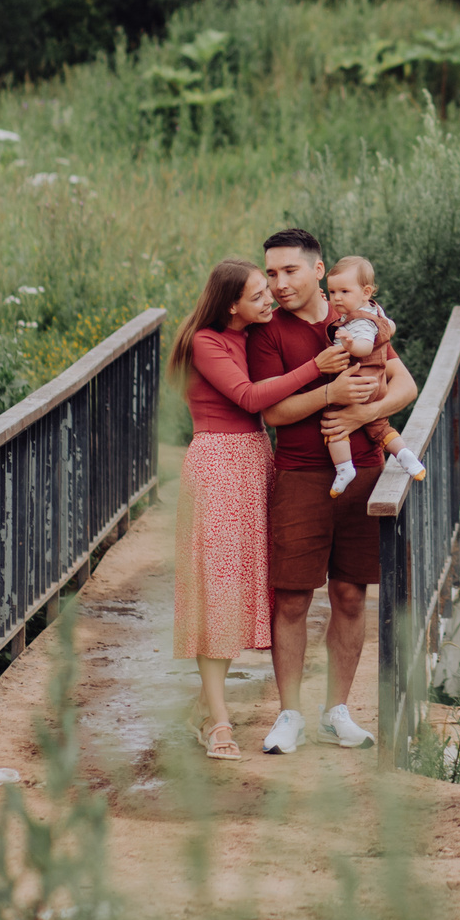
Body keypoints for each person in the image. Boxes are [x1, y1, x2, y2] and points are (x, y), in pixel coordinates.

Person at [248, 226, 421, 754]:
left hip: (365, 471)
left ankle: (337, 711)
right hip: (299, 474)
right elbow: (272, 412)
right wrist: (330, 390)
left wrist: (365, 410)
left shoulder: (352, 316)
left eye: (290, 271)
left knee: (350, 595)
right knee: (294, 597)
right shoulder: (268, 333)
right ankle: (290, 714)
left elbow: (406, 386)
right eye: (272, 273)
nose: (279, 284)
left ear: (318, 271)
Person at [167, 258, 348, 761]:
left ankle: (206, 706)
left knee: (248, 587)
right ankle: (218, 722)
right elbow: (248, 398)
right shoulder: (205, 341)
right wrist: (319, 373)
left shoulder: (254, 336)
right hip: (219, 466)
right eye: (258, 294)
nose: (270, 296)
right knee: (218, 592)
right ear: (231, 305)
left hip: (254, 462)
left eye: (268, 289)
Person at [319, 255, 426, 495]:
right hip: (377, 385)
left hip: (359, 383)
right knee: (380, 427)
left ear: (366, 291)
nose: (336, 298)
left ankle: (345, 467)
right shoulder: (375, 311)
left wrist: (348, 345)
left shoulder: (358, 324)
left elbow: (365, 348)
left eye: (344, 292)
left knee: (333, 419)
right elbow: (391, 326)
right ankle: (407, 458)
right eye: (332, 292)